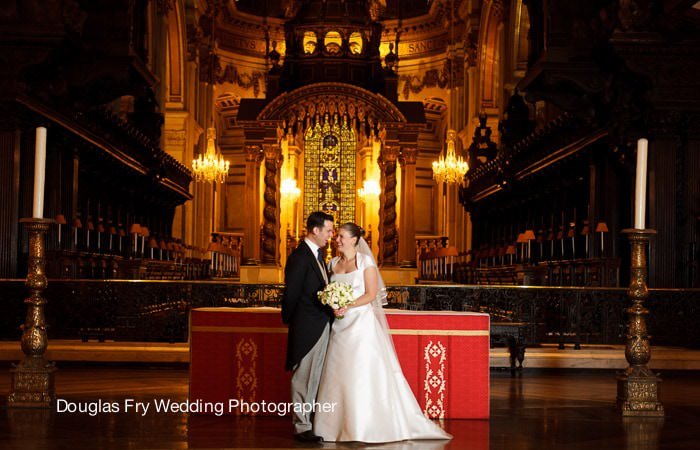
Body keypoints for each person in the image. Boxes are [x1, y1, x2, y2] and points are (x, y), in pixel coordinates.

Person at [313, 223, 452, 443]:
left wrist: (347, 304)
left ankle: (364, 426)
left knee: (361, 372)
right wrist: (333, 303)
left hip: (360, 325)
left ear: (354, 240)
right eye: (337, 236)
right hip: (339, 325)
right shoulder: (333, 264)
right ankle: (336, 426)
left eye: (341, 236)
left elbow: (370, 294)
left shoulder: (365, 262)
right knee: (338, 373)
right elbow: (330, 291)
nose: (337, 240)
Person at [281, 211, 335, 443]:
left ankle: (307, 421)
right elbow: (291, 294)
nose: (331, 235)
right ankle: (301, 426)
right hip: (307, 326)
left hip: (320, 323)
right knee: (303, 376)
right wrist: (294, 322)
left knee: (313, 376)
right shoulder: (300, 257)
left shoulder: (317, 255)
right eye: (329, 230)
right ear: (316, 230)